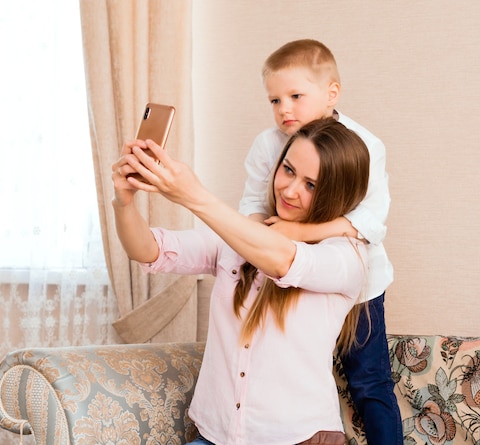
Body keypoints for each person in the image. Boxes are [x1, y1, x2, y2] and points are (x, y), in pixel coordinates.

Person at [112, 118, 371, 445]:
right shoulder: (238, 237)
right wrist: (123, 202)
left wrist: (194, 196)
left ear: (336, 194)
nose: (290, 190)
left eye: (311, 185)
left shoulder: (347, 256)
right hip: (216, 436)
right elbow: (148, 250)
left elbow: (283, 260)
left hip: (299, 437)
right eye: (288, 170)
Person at [239, 39, 403, 444]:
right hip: (288, 281)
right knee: (284, 371)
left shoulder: (363, 144)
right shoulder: (268, 144)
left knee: (370, 383)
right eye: (275, 100)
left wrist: (297, 233)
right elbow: (251, 206)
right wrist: (266, 241)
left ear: (332, 93)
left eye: (295, 96)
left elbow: (368, 222)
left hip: (357, 287)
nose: (284, 110)